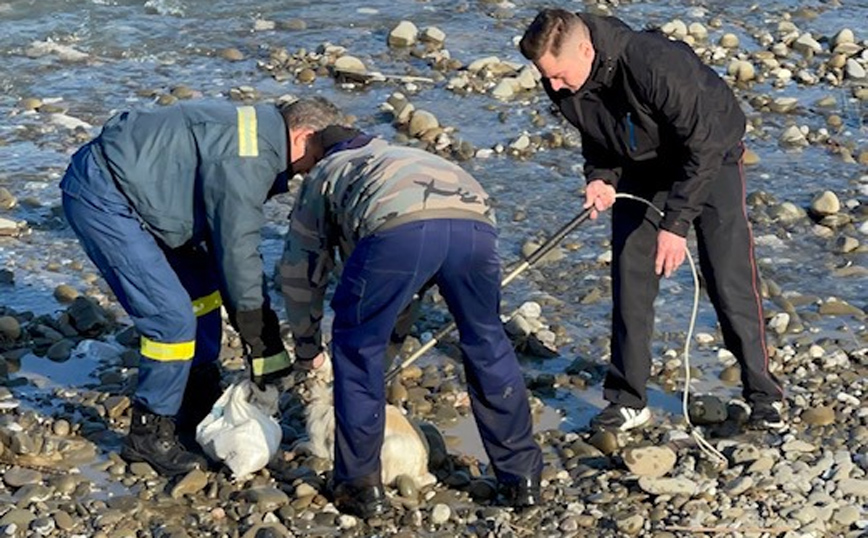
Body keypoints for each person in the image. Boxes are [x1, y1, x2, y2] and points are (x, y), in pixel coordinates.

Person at [519, 9, 784, 432]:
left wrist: (675, 226)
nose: (554, 87)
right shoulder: (562, 79)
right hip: (640, 165)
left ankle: (764, 395)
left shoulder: (654, 62)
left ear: (585, 50)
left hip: (710, 155)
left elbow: (702, 147)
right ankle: (628, 399)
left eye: (559, 76)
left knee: (727, 276)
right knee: (631, 275)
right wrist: (600, 177)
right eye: (546, 77)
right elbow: (595, 132)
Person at [60, 97, 345, 476]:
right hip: (104, 193)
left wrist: (260, 339)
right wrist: (263, 342)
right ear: (303, 137)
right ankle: (149, 431)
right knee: (170, 320)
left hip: (150, 194)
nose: (313, 171)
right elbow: (238, 253)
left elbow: (229, 248)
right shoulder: (250, 158)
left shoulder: (261, 136)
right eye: (319, 156)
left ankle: (196, 394)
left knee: (204, 293)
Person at [280, 125, 544, 518]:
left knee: (356, 348)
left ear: (316, 150)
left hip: (398, 227)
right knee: (487, 341)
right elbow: (407, 287)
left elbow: (301, 270)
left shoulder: (325, 173)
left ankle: (359, 485)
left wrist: (306, 348)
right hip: (475, 225)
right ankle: (521, 478)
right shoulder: (401, 155)